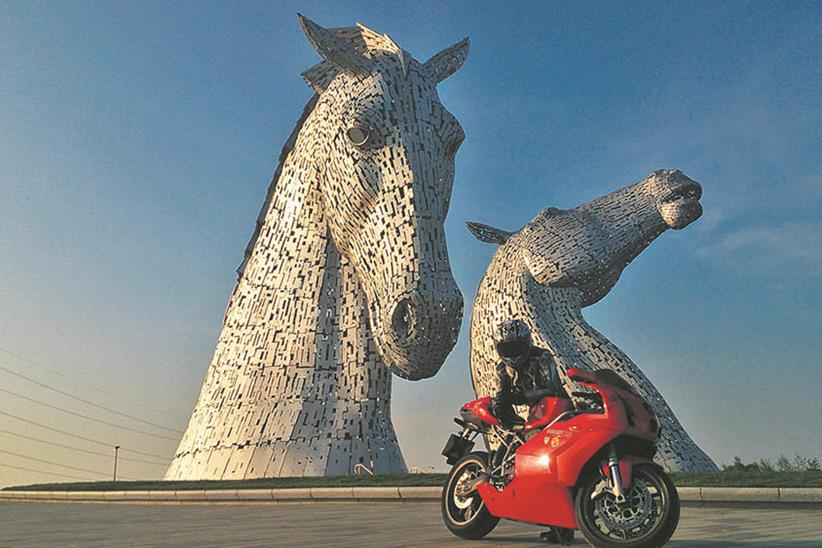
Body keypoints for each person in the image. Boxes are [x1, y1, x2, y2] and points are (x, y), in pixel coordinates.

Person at [491, 319, 565, 429]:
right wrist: (499, 407)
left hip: (557, 407)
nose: (512, 352)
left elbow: (553, 390)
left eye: (517, 346)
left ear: (527, 342)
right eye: (507, 348)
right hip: (535, 413)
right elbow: (501, 394)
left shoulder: (542, 358)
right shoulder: (502, 369)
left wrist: (520, 397)